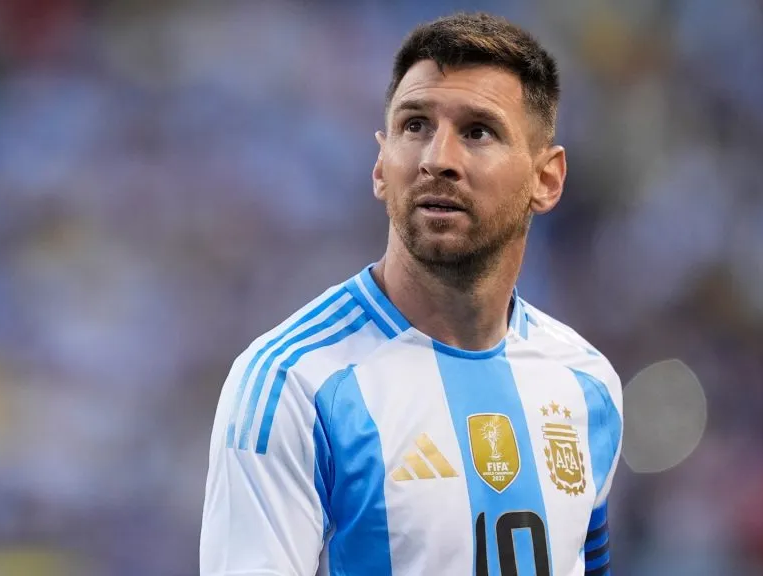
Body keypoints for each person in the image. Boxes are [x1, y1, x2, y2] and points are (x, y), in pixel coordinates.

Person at [200, 12, 622, 576]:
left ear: (546, 179)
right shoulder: (293, 384)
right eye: (415, 125)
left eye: (478, 132)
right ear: (381, 165)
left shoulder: (586, 382)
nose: (437, 159)